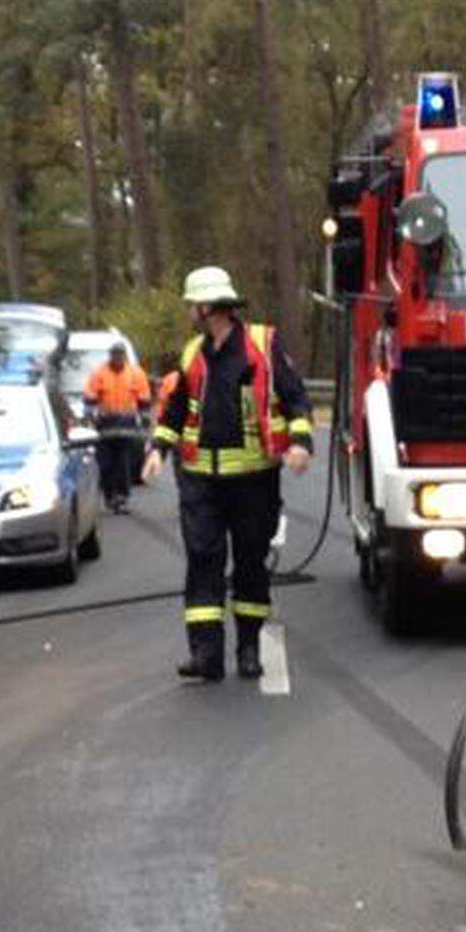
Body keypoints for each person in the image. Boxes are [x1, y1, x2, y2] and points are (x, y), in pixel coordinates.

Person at [146, 265, 314, 682]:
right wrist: (159, 449)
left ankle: (249, 647)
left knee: (250, 563)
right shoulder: (191, 354)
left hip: (253, 479)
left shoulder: (262, 345)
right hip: (201, 478)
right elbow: (175, 411)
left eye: (191, 305)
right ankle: (206, 654)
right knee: (203, 559)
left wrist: (300, 443)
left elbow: (295, 398)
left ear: (206, 307)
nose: (189, 312)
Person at [82, 340, 152, 513]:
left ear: (125, 356)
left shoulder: (136, 374)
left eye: (120, 355)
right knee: (105, 465)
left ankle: (122, 498)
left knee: (123, 463)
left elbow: (144, 401)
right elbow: (90, 398)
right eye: (115, 355)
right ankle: (109, 496)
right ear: (110, 356)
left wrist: (144, 421)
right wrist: (91, 415)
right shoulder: (99, 373)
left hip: (126, 428)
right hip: (105, 427)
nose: (118, 358)